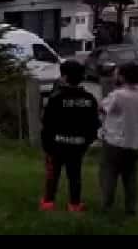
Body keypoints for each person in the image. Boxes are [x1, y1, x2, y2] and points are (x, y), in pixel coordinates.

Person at [40, 60, 99, 212]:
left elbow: (47, 123)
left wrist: (46, 146)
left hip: (56, 145)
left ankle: (48, 203)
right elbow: (94, 124)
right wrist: (86, 142)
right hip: (78, 146)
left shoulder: (56, 98)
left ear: (64, 77)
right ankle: (74, 204)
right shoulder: (89, 99)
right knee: (75, 176)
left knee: (52, 175)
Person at [99, 63, 138, 215]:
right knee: (130, 177)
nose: (115, 76)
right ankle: (131, 208)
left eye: (117, 73)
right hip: (134, 143)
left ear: (123, 77)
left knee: (109, 174)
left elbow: (102, 108)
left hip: (114, 141)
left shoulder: (118, 95)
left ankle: (107, 206)